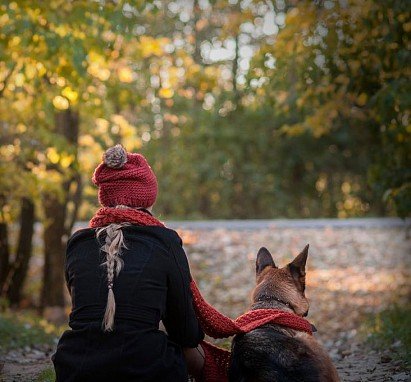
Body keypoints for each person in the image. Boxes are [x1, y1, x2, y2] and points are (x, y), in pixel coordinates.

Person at [52, 144, 205, 382]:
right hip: (147, 369)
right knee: (195, 355)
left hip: (75, 368)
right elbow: (185, 332)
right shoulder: (165, 241)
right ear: (147, 198)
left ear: (105, 198)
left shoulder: (78, 243)